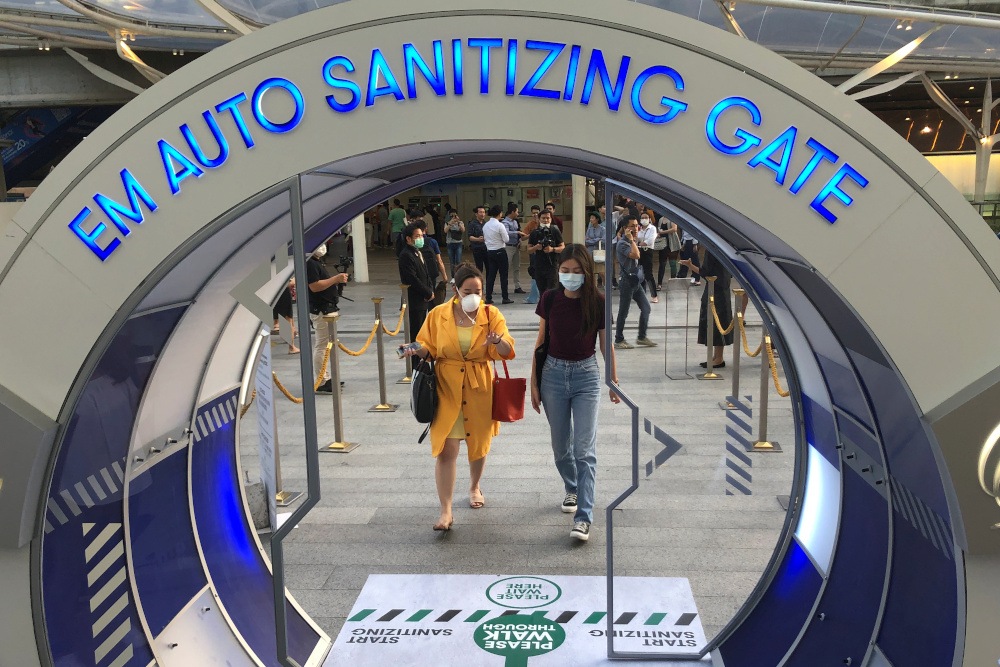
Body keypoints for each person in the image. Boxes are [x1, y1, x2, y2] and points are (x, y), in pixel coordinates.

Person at [403, 263, 516, 531]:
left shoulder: (491, 314)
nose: (474, 296)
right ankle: (446, 511)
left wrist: (497, 341)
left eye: (478, 290)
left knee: (477, 442)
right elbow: (426, 345)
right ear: (456, 290)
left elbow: (508, 349)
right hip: (446, 386)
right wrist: (410, 349)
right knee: (447, 449)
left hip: (479, 387)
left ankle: (475, 486)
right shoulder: (439, 314)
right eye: (468, 291)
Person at [530, 244, 619, 542]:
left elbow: (606, 345)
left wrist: (613, 380)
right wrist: (534, 383)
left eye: (577, 272)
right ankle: (572, 487)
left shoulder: (598, 302)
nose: (570, 276)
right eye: (565, 271)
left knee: (585, 450)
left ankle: (584, 517)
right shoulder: (550, 298)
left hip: (587, 377)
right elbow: (541, 341)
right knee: (560, 447)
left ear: (587, 273)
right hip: (552, 375)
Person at [680, 251, 734, 368]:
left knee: (716, 323)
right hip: (722, 287)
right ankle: (716, 356)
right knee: (719, 322)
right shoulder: (722, 249)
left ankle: (718, 358)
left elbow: (706, 272)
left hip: (715, 289)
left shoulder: (712, 251)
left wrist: (690, 266)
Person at [307, 243, 349, 392]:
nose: (323, 246)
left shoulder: (316, 262)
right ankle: (322, 380)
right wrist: (335, 279)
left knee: (326, 346)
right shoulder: (310, 263)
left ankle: (326, 377)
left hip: (327, 308)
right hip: (321, 310)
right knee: (322, 345)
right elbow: (315, 286)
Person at [614, 216, 657, 349]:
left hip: (635, 280)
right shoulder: (622, 244)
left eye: (636, 225)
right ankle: (618, 339)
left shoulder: (631, 241)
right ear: (625, 228)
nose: (636, 228)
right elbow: (636, 255)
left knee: (646, 308)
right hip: (627, 281)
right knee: (624, 311)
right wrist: (632, 240)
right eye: (632, 226)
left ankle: (642, 337)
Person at [398, 222, 435, 337]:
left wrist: (430, 290)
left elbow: (426, 274)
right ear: (408, 238)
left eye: (421, 235)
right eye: (417, 236)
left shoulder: (417, 252)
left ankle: (420, 355)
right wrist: (427, 292)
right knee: (416, 335)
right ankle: (415, 355)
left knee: (422, 334)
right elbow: (412, 279)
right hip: (414, 301)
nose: (421, 238)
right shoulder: (406, 255)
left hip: (423, 299)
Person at [527, 209, 565, 292]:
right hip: (539, 265)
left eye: (548, 218)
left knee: (552, 290)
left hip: (552, 265)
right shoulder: (534, 232)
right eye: (543, 218)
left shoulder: (555, 230)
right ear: (539, 219)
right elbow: (529, 250)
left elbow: (562, 247)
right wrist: (536, 247)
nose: (546, 220)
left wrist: (552, 249)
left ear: (551, 219)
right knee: (542, 291)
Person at [483, 204, 511, 305]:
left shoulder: (486, 225)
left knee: (491, 275)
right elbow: (506, 239)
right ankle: (505, 297)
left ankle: (488, 297)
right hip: (500, 251)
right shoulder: (500, 225)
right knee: (503, 275)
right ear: (500, 214)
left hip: (490, 251)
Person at [271, 280, 300, 354]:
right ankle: (291, 347)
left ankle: (290, 336)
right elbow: (288, 282)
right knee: (287, 319)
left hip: (274, 292)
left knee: (288, 318)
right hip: (281, 292)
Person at [502, 203, 525, 294]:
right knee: (506, 267)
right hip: (508, 247)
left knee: (517, 267)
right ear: (512, 212)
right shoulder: (505, 222)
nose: (517, 214)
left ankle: (517, 286)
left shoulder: (515, 222)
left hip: (516, 246)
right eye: (517, 212)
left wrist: (519, 240)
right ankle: (505, 286)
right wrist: (517, 232)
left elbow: (519, 232)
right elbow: (506, 232)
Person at [636, 210, 659, 303]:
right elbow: (635, 239)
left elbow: (650, 241)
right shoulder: (639, 229)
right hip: (639, 251)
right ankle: (642, 295)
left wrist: (640, 242)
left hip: (647, 251)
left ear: (649, 219)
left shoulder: (652, 228)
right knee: (640, 274)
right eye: (642, 218)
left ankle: (654, 296)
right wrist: (639, 242)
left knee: (648, 274)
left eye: (646, 217)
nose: (644, 219)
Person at [523, 205, 542, 304]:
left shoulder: (544, 224)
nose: (535, 214)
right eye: (533, 213)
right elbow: (523, 237)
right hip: (534, 252)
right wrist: (533, 233)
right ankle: (534, 295)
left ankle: (539, 294)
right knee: (534, 272)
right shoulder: (530, 224)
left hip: (544, 253)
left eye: (537, 212)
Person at [656, 214, 680, 288]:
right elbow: (659, 229)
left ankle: (673, 281)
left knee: (673, 263)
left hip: (672, 244)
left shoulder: (672, 218)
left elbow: (674, 229)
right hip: (663, 244)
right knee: (662, 264)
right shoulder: (660, 219)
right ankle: (659, 283)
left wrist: (663, 232)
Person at [584, 211, 605, 287]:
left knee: (602, 272)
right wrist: (597, 239)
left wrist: (592, 240)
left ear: (597, 219)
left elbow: (603, 240)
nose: (591, 219)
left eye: (592, 218)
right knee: (591, 272)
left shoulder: (603, 229)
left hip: (599, 252)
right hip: (590, 252)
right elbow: (586, 241)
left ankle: (606, 287)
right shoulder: (589, 229)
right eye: (590, 218)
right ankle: (593, 288)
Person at [467, 206, 488, 272]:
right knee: (479, 268)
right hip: (477, 248)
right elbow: (470, 237)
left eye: (484, 212)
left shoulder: (486, 224)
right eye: (480, 212)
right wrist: (478, 239)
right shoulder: (472, 224)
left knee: (489, 267)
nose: (483, 214)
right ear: (476, 214)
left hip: (486, 248)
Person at [445, 210, 465, 279]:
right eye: (451, 216)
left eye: (455, 215)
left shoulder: (460, 222)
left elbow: (463, 230)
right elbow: (445, 231)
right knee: (452, 261)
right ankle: (453, 276)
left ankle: (459, 276)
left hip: (458, 243)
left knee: (458, 261)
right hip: (450, 243)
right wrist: (450, 223)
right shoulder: (447, 223)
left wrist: (458, 222)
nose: (453, 217)